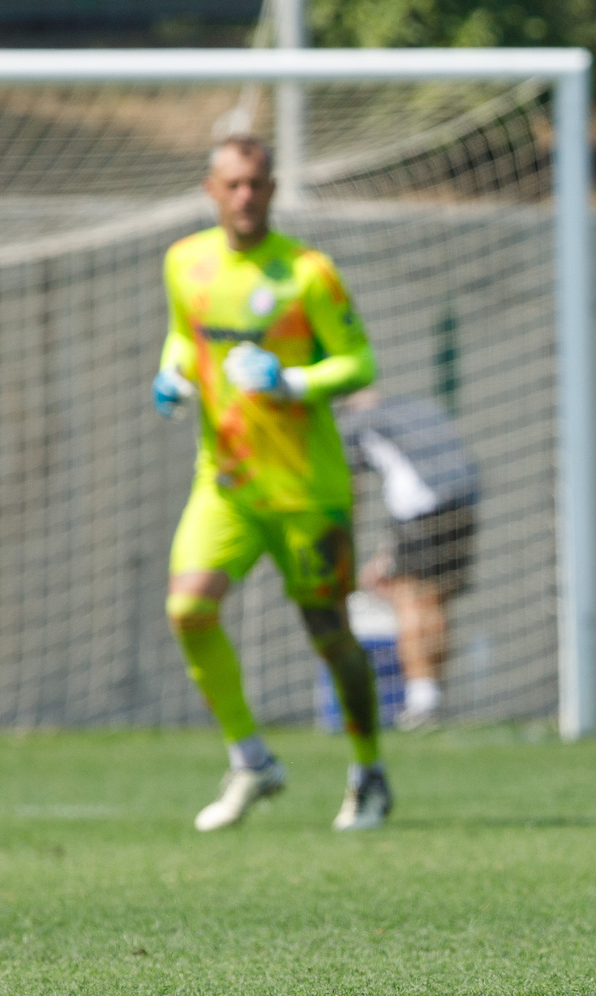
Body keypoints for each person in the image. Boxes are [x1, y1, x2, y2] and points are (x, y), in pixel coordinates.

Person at [153, 134, 393, 832]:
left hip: (306, 490)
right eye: (232, 184)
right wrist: (172, 373)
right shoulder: (184, 262)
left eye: (256, 184)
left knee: (331, 636)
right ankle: (252, 759)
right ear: (211, 190)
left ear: (273, 188)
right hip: (224, 481)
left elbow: (358, 363)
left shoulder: (307, 273)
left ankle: (368, 772)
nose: (245, 196)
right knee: (188, 611)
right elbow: (184, 337)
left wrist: (293, 380)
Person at [339, 389, 479, 731]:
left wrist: (345, 547)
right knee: (436, 601)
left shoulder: (354, 423)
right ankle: (431, 698)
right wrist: (386, 555)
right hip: (463, 503)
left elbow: (350, 491)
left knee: (409, 599)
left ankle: (421, 701)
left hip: (420, 510)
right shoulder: (417, 406)